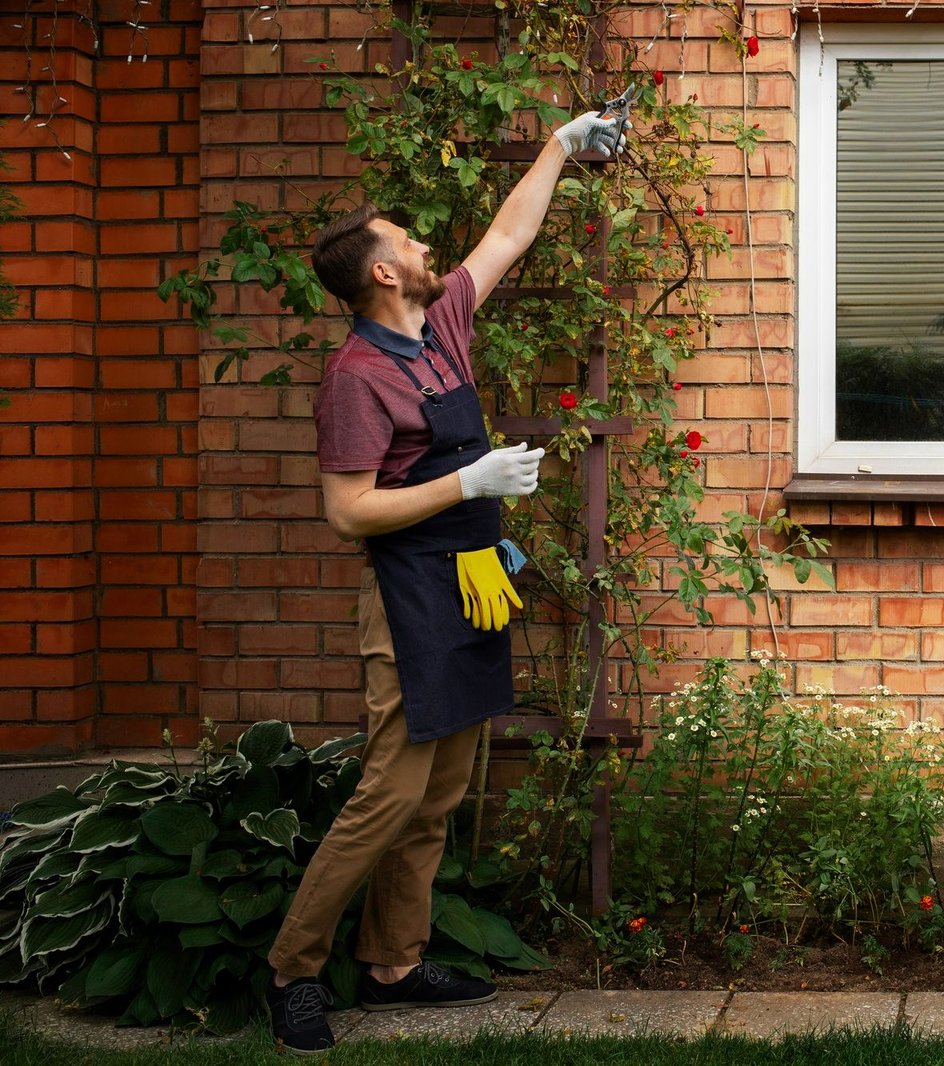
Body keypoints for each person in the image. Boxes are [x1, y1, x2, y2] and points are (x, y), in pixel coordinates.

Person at [263, 107, 625, 1056]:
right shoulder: (355, 377)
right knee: (389, 794)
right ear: (382, 273)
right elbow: (348, 511)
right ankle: (293, 971)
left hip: (472, 585)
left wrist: (561, 145)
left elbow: (508, 234)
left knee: (441, 793)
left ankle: (393, 962)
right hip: (406, 600)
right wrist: (468, 481)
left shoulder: (441, 324)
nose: (426, 246)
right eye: (408, 242)